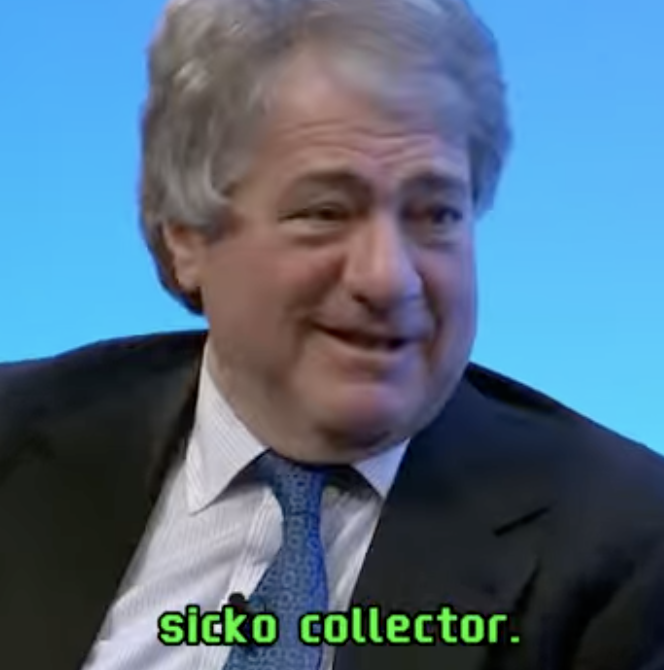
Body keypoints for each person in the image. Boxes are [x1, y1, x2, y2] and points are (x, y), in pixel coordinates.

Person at [1, 0, 663, 668]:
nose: (389, 278)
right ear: (188, 238)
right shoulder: (19, 433)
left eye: (435, 214)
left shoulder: (626, 543)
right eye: (325, 212)